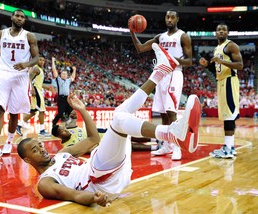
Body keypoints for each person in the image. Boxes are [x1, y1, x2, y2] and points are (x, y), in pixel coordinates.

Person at [17, 44, 201, 206]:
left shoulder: (61, 154)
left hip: (109, 172)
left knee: (121, 112)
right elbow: (73, 195)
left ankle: (160, 71)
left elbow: (93, 139)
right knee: (119, 120)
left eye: (39, 144)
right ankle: (172, 134)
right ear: (27, 160)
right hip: (99, 182)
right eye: (34, 149)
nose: (41, 148)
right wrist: (94, 199)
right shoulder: (44, 182)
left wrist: (83, 110)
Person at [129, 9, 193, 160]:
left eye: (172, 17)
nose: (169, 19)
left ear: (177, 19)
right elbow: (140, 48)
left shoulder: (183, 36)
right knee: (163, 113)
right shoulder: (161, 37)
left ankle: (177, 147)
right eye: (167, 17)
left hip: (174, 74)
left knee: (171, 112)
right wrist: (132, 32)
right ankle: (166, 145)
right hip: (161, 75)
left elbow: (189, 61)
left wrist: (171, 59)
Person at [0, 9, 39, 160]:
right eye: (17, 15)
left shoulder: (29, 36)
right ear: (12, 17)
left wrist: (26, 64)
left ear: (24, 20)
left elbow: (36, 57)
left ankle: (8, 143)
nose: (20, 18)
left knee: (15, 113)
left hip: (21, 77)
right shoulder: (1, 34)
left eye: (22, 17)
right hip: (3, 74)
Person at [199, 23, 243, 159]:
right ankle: (230, 147)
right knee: (226, 115)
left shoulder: (231, 46)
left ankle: (228, 148)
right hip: (222, 81)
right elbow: (217, 70)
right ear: (215, 33)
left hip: (230, 80)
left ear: (228, 32)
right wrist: (207, 66)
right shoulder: (217, 48)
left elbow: (240, 65)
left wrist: (221, 61)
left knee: (228, 115)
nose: (221, 31)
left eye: (224, 29)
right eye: (219, 30)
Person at [51, 110, 160, 152]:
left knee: (129, 135)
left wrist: (72, 114)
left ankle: (156, 139)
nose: (65, 131)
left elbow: (73, 117)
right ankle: (155, 147)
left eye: (63, 128)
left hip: (101, 131)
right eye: (63, 132)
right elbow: (85, 150)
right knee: (129, 145)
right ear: (59, 136)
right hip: (102, 143)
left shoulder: (70, 127)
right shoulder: (68, 146)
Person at [16, 56, 53, 137]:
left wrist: (46, 87)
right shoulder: (36, 69)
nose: (42, 61)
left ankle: (19, 125)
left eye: (43, 60)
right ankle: (42, 130)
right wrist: (32, 89)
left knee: (33, 111)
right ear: (37, 61)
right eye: (40, 60)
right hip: (36, 91)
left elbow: (38, 82)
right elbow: (29, 78)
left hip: (38, 89)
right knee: (42, 110)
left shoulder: (40, 70)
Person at [51, 57, 76, 125]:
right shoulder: (58, 79)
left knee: (70, 111)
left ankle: (68, 124)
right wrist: (53, 61)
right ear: (61, 75)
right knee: (60, 113)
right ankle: (54, 122)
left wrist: (74, 70)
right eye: (63, 74)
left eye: (65, 74)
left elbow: (73, 77)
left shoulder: (68, 80)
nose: (64, 75)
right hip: (61, 98)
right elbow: (54, 70)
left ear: (67, 75)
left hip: (67, 98)